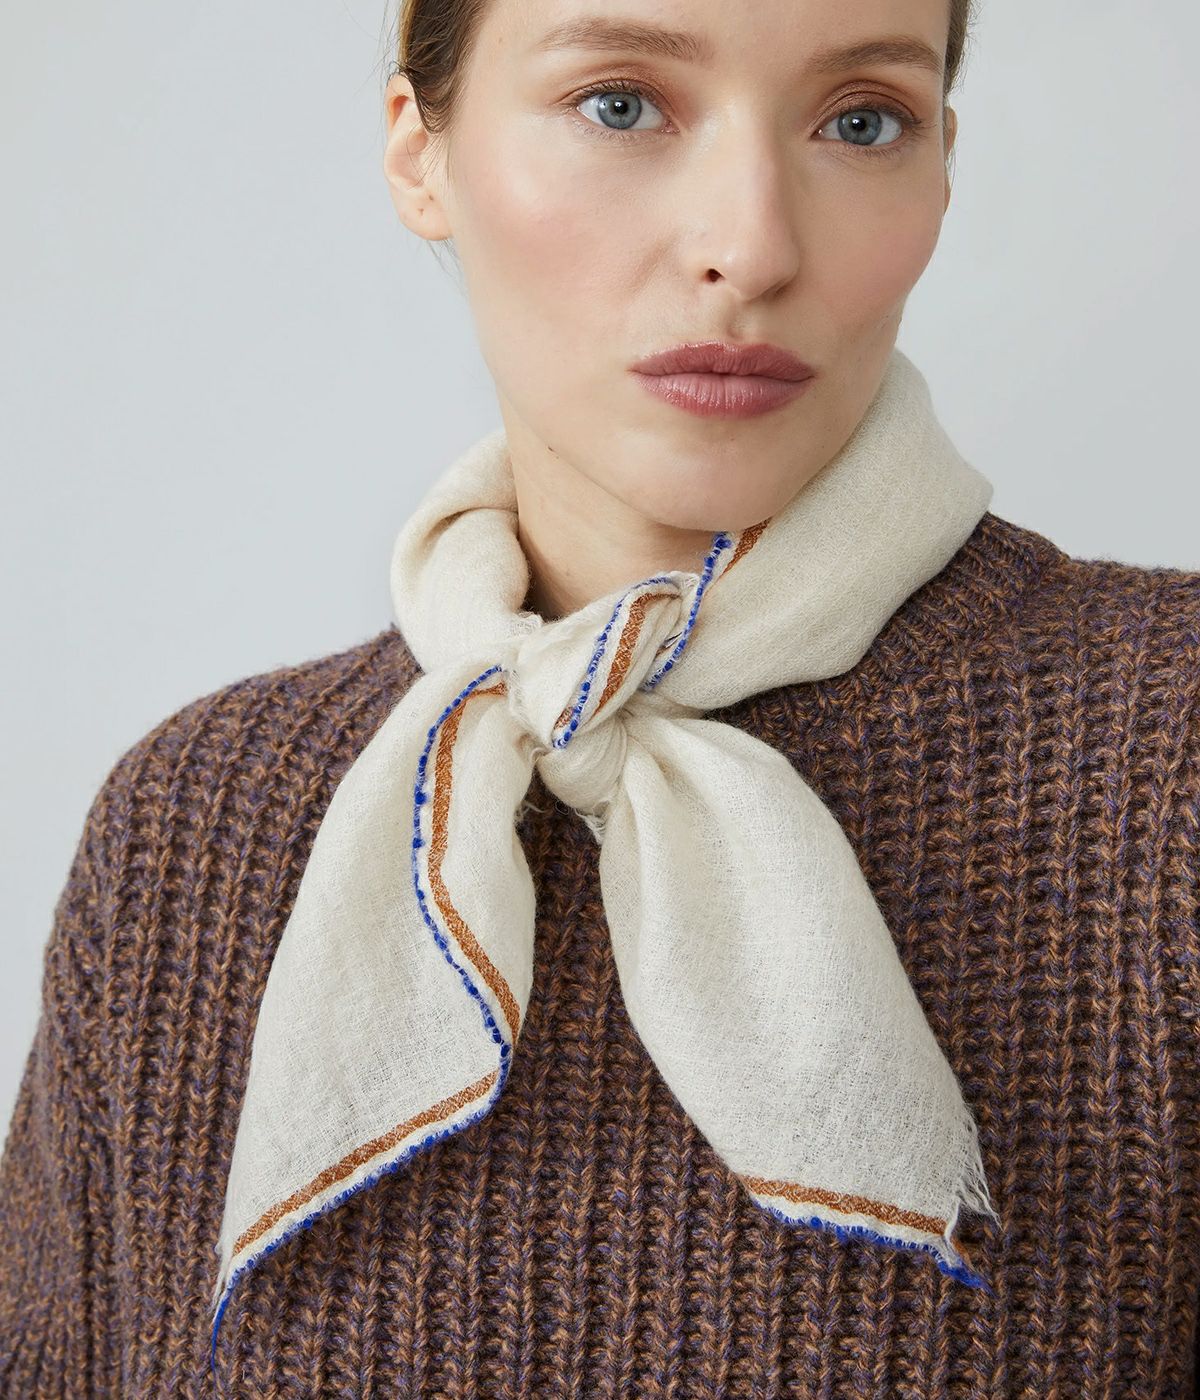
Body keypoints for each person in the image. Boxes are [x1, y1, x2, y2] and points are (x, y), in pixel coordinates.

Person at [2, 0, 1198, 1396]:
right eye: (620, 105)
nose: (750, 245)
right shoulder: (193, 831)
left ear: (940, 166)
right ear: (421, 151)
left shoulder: (1168, 757)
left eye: (863, 121)